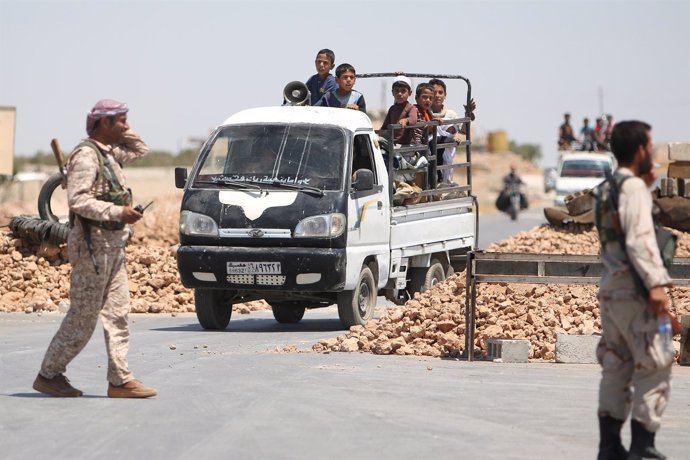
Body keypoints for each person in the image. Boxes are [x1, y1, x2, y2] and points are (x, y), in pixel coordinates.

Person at [32, 99, 157, 399]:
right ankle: (49, 374)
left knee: (118, 314)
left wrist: (118, 128)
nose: (127, 126)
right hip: (93, 247)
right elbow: (78, 201)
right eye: (121, 120)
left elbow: (141, 149)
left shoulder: (109, 153)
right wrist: (119, 213)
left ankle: (120, 380)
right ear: (104, 123)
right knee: (83, 318)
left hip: (113, 246)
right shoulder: (87, 157)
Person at [592, 120, 675, 460]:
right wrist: (657, 285)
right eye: (650, 146)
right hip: (636, 291)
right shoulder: (634, 191)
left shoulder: (606, 188)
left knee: (617, 364)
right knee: (655, 362)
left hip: (611, 290)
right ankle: (643, 447)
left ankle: (610, 447)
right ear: (640, 150)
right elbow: (640, 239)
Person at [428, 78, 476, 183]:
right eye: (434, 92)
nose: (437, 95)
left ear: (445, 95)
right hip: (429, 157)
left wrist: (467, 115)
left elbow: (463, 130)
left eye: (440, 92)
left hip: (447, 159)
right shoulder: (425, 113)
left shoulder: (451, 114)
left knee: (446, 182)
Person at [379, 75, 418, 145]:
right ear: (392, 92)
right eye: (396, 91)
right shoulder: (392, 109)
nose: (399, 94)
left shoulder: (411, 108)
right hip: (393, 143)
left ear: (409, 93)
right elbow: (385, 126)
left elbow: (413, 119)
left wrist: (406, 120)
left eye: (403, 91)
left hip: (406, 145)